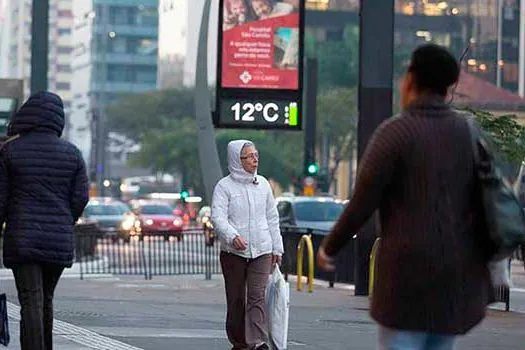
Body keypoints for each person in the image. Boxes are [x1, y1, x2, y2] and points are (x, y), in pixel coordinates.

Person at [317, 44, 492, 350]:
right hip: (453, 276)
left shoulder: (395, 133)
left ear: (411, 80)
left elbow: (362, 204)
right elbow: (486, 202)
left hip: (405, 277)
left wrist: (330, 247)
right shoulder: (467, 133)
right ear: (448, 85)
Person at [0, 91, 89, 349]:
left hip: (22, 238)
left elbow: (1, 200)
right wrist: (63, 221)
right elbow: (80, 197)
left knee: (30, 299)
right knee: (46, 299)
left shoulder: (10, 152)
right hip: (57, 238)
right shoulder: (72, 154)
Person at [211, 140, 284, 350]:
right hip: (233, 253)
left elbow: (272, 217)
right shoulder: (224, 187)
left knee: (256, 296)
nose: (255, 159)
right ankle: (239, 341)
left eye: (256, 155)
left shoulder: (262, 184)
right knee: (236, 300)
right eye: (249, 156)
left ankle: (258, 341)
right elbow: (218, 217)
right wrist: (232, 236)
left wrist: (276, 248)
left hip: (262, 250)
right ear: (237, 160)